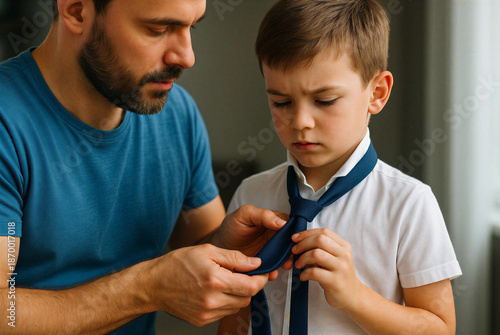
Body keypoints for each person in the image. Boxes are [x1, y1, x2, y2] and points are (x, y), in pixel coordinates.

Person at [0, 0, 287, 333]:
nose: (187, 57)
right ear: (77, 11)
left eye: (191, 27)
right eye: (159, 29)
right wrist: (145, 288)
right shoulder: (7, 124)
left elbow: (197, 246)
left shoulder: (178, 115)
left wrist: (229, 245)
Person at [218, 0, 462, 334]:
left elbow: (440, 329)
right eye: (281, 102)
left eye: (324, 101)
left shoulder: (409, 204)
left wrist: (354, 296)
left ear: (376, 93)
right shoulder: (251, 195)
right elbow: (235, 317)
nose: (301, 121)